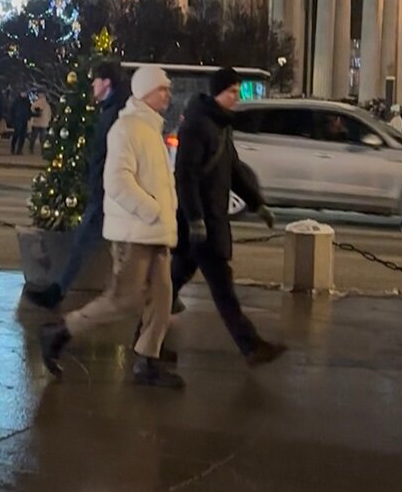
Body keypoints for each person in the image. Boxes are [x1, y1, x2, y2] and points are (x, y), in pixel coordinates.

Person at [39, 65, 181, 388]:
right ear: (145, 92)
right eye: (162, 89)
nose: (167, 95)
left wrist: (165, 213)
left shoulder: (151, 129)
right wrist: (152, 211)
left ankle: (148, 361)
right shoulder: (127, 128)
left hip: (155, 230)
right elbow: (117, 181)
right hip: (136, 232)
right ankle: (60, 331)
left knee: (162, 297)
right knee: (124, 299)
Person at [172, 68, 286, 366]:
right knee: (222, 288)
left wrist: (257, 204)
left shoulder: (221, 125)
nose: (237, 97)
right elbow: (185, 176)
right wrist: (195, 218)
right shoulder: (197, 125)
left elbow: (233, 170)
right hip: (201, 224)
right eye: (232, 91)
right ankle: (251, 346)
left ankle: (144, 342)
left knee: (169, 286)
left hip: (210, 221)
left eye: (238, 91)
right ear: (217, 92)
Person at [29, 60, 128, 310]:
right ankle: (59, 290)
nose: (92, 85)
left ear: (106, 82)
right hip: (106, 190)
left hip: (108, 192)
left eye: (95, 80)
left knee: (96, 244)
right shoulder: (112, 108)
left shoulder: (115, 112)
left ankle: (60, 292)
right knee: (94, 244)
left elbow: (111, 154)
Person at [9, 90, 33, 156]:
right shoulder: (16, 101)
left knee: (22, 136)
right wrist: (13, 120)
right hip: (18, 120)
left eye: (25, 93)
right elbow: (12, 111)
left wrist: (30, 116)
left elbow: (29, 110)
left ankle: (19, 149)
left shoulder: (27, 102)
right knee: (16, 134)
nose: (24, 94)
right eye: (23, 93)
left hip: (24, 120)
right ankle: (13, 148)